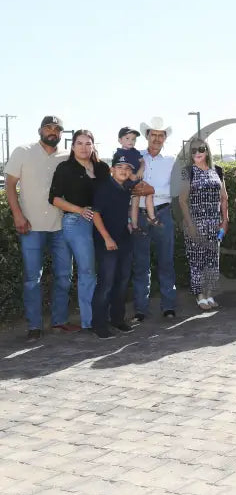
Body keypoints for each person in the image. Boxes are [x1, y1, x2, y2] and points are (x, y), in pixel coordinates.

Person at [5, 116, 73, 340]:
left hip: (60, 226)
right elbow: (10, 184)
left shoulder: (67, 156)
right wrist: (17, 215)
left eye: (57, 129)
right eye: (48, 127)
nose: (52, 131)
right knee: (32, 279)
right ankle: (34, 326)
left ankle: (59, 321)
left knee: (64, 275)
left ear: (61, 133)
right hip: (30, 226)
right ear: (40, 130)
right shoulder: (22, 151)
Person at [48, 129, 108, 331]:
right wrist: (80, 210)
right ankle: (90, 321)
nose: (84, 147)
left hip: (101, 221)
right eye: (79, 143)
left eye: (88, 143)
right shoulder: (65, 168)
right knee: (87, 271)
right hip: (76, 222)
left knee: (104, 269)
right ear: (72, 146)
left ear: (93, 146)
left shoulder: (101, 168)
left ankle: (101, 313)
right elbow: (54, 199)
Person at [131, 117, 178, 321]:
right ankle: (141, 309)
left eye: (161, 135)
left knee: (166, 262)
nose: (157, 138)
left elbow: (176, 188)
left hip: (163, 213)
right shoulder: (135, 156)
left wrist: (153, 190)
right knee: (141, 264)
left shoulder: (172, 160)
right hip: (138, 215)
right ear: (147, 136)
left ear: (165, 138)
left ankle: (168, 306)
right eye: (154, 134)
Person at [90, 155, 138, 338]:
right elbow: (96, 215)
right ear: (112, 169)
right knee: (106, 283)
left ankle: (117, 319)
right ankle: (99, 324)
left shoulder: (126, 188)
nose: (124, 170)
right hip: (106, 242)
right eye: (120, 167)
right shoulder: (104, 188)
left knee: (122, 282)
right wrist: (107, 238)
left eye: (127, 168)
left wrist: (129, 223)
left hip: (124, 239)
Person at [179, 138, 228, 311]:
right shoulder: (187, 172)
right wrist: (190, 225)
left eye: (200, 149)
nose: (197, 153)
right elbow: (183, 201)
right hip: (196, 224)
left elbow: (224, 198)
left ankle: (209, 294)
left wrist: (225, 220)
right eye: (193, 151)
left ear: (207, 150)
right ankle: (200, 295)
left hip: (215, 224)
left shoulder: (218, 170)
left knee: (213, 261)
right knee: (197, 260)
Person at [116, 126, 160, 229]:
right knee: (125, 205)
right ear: (120, 140)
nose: (131, 141)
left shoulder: (135, 152)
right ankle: (133, 222)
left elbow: (142, 162)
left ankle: (140, 223)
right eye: (127, 138)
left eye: (133, 139)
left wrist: (140, 170)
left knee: (144, 197)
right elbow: (119, 169)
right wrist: (130, 175)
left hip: (136, 181)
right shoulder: (119, 154)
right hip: (126, 182)